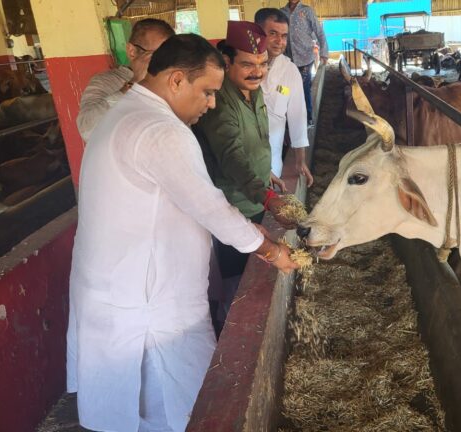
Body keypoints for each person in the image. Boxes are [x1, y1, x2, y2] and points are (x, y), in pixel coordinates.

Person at [67, 34, 298, 432]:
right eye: (207, 92)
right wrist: (271, 250)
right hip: (148, 305)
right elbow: (211, 208)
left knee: (143, 409)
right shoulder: (161, 130)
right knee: (184, 408)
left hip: (117, 290)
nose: (211, 104)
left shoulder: (125, 113)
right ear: (176, 81)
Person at [193, 21, 297, 321]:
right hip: (234, 207)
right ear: (227, 62)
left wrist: (268, 175)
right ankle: (230, 339)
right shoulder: (220, 102)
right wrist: (267, 198)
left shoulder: (254, 90)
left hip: (257, 196)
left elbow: (257, 144)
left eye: (263, 64)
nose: (257, 72)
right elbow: (232, 157)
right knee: (238, 286)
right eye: (248, 64)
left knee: (256, 275)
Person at [76, 18, 174, 141]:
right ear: (132, 51)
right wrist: (135, 83)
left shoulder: (172, 82)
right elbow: (87, 130)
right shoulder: (105, 82)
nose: (165, 63)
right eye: (158, 55)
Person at [255, 8, 314, 189]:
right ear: (257, 33)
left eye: (284, 36)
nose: (279, 41)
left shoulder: (290, 71)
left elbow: (297, 116)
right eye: (272, 33)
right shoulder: (241, 69)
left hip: (273, 162)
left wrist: (300, 161)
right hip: (242, 162)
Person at [281, 0, 328, 124]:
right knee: (287, 89)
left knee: (303, 87)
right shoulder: (281, 12)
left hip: (305, 57)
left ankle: (308, 118)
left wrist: (324, 52)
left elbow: (319, 32)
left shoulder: (307, 11)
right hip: (288, 58)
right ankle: (290, 118)